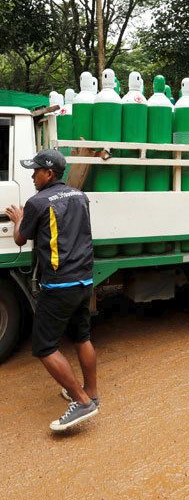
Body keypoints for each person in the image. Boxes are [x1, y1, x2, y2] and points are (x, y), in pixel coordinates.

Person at [6, 149, 97, 432]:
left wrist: (18, 218)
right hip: (84, 280)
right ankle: (91, 392)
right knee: (82, 337)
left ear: (49, 173)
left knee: (44, 347)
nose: (32, 176)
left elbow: (21, 239)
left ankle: (82, 402)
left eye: (35, 171)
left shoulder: (37, 202)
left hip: (59, 286)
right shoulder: (79, 196)